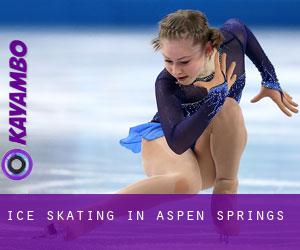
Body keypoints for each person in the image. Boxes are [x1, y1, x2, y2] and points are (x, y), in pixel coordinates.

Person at [119, 9, 298, 195]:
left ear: (208, 49)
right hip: (166, 142)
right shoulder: (166, 83)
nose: (175, 70)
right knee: (186, 184)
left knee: (229, 107)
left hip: (206, 153)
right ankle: (94, 212)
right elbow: (178, 142)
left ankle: (226, 192)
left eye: (184, 61)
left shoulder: (231, 43)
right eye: (168, 60)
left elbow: (242, 29)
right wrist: (215, 96)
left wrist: (270, 80)